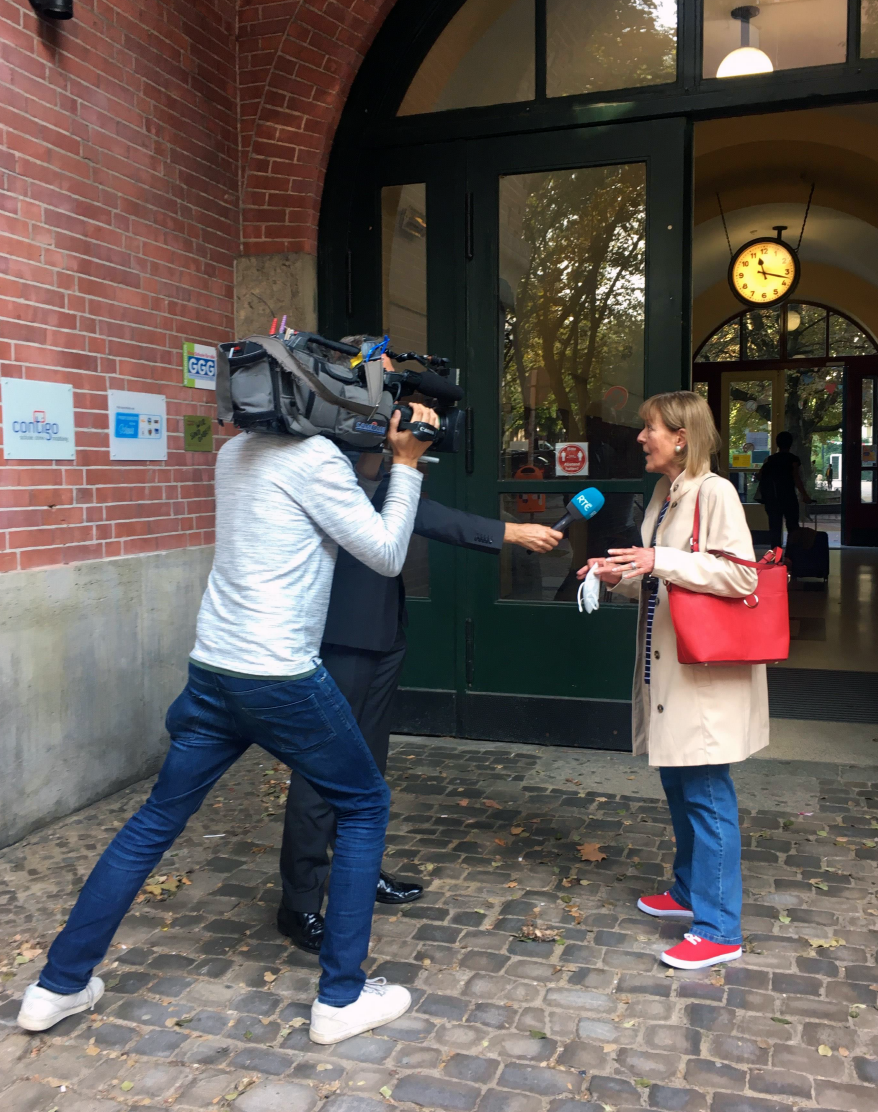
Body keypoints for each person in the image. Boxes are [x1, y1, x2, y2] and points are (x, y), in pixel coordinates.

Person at [18, 402, 442, 1046]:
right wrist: (406, 464)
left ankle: (57, 986)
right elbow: (384, 552)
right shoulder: (316, 458)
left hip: (215, 666)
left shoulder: (235, 451)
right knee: (363, 804)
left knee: (155, 819)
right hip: (280, 676)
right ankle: (341, 998)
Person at [278, 350, 563, 953]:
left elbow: (407, 507)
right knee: (322, 768)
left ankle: (357, 868)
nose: (421, 423)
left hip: (383, 631)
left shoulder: (376, 459)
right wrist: (508, 532)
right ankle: (300, 901)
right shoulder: (325, 454)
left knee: (368, 765)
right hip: (339, 637)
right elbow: (413, 513)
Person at [583, 390, 768, 970]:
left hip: (704, 678)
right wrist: (618, 574)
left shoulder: (715, 492)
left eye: (650, 429)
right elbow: (666, 579)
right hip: (669, 670)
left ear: (682, 437)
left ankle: (720, 929)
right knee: (679, 785)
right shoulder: (665, 494)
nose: (640, 438)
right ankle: (689, 891)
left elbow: (740, 576)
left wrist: (657, 560)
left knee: (708, 795)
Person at [757, 431, 811, 548]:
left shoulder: (770, 459)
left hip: (772, 498)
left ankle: (775, 555)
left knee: (775, 529)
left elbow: (760, 476)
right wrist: (805, 495)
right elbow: (797, 478)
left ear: (777, 444)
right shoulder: (793, 460)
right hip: (788, 497)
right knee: (792, 527)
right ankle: (791, 554)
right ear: (790, 444)